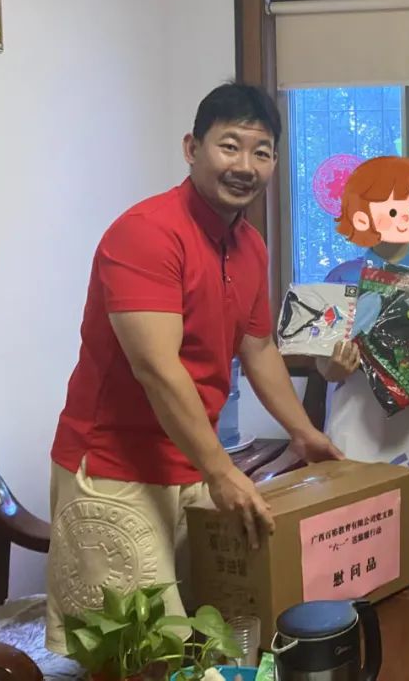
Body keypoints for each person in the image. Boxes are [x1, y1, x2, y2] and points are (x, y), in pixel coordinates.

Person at [45, 83, 343, 654]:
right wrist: (222, 471)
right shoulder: (146, 232)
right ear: (192, 147)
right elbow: (157, 369)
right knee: (135, 652)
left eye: (262, 152)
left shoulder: (249, 245)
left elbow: (258, 348)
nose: (245, 165)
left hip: (191, 463)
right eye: (230, 146)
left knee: (210, 635)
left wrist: (304, 433)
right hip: (116, 466)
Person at [317, 156, 409, 589]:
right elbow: (323, 366)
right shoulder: (341, 277)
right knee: (355, 568)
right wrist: (334, 366)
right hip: (356, 441)